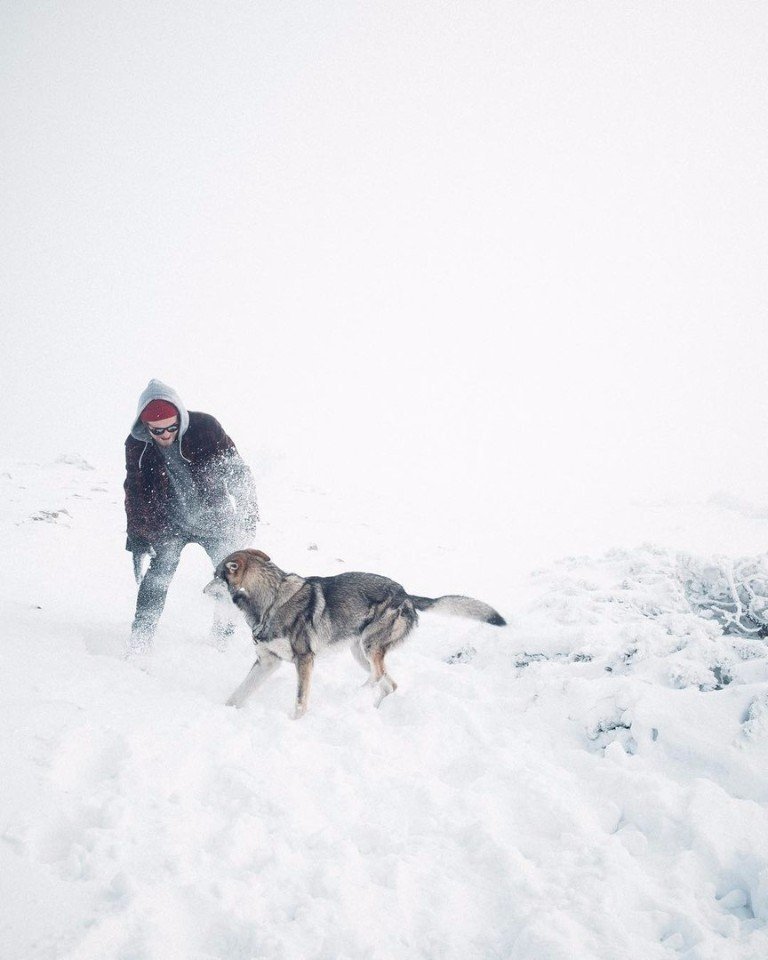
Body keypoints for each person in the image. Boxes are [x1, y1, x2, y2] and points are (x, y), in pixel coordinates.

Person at [124, 379, 259, 655]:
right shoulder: (137, 445)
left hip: (216, 520)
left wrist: (248, 513)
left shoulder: (206, 428)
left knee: (233, 577)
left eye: (171, 427)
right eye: (157, 430)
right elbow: (135, 491)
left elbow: (237, 472)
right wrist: (137, 535)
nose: (165, 435)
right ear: (146, 427)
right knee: (158, 576)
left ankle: (221, 641)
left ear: (180, 419)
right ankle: (140, 640)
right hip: (169, 523)